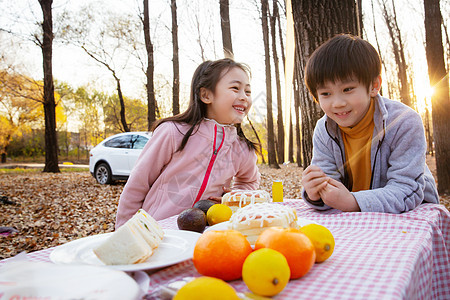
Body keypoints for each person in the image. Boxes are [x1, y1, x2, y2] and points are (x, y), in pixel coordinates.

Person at [301, 34, 439, 213]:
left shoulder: (403, 121)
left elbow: (406, 190)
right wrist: (316, 193)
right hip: (355, 218)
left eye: (347, 89)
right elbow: (329, 183)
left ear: (374, 86)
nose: (338, 103)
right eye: (326, 94)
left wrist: (352, 201)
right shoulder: (325, 129)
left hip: (413, 214)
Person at [115, 58, 261, 228]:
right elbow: (138, 183)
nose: (244, 97)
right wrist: (124, 230)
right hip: (157, 230)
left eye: (248, 92)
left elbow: (249, 181)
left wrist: (235, 197)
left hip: (207, 235)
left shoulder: (242, 149)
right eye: (235, 88)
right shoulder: (173, 132)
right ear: (206, 95)